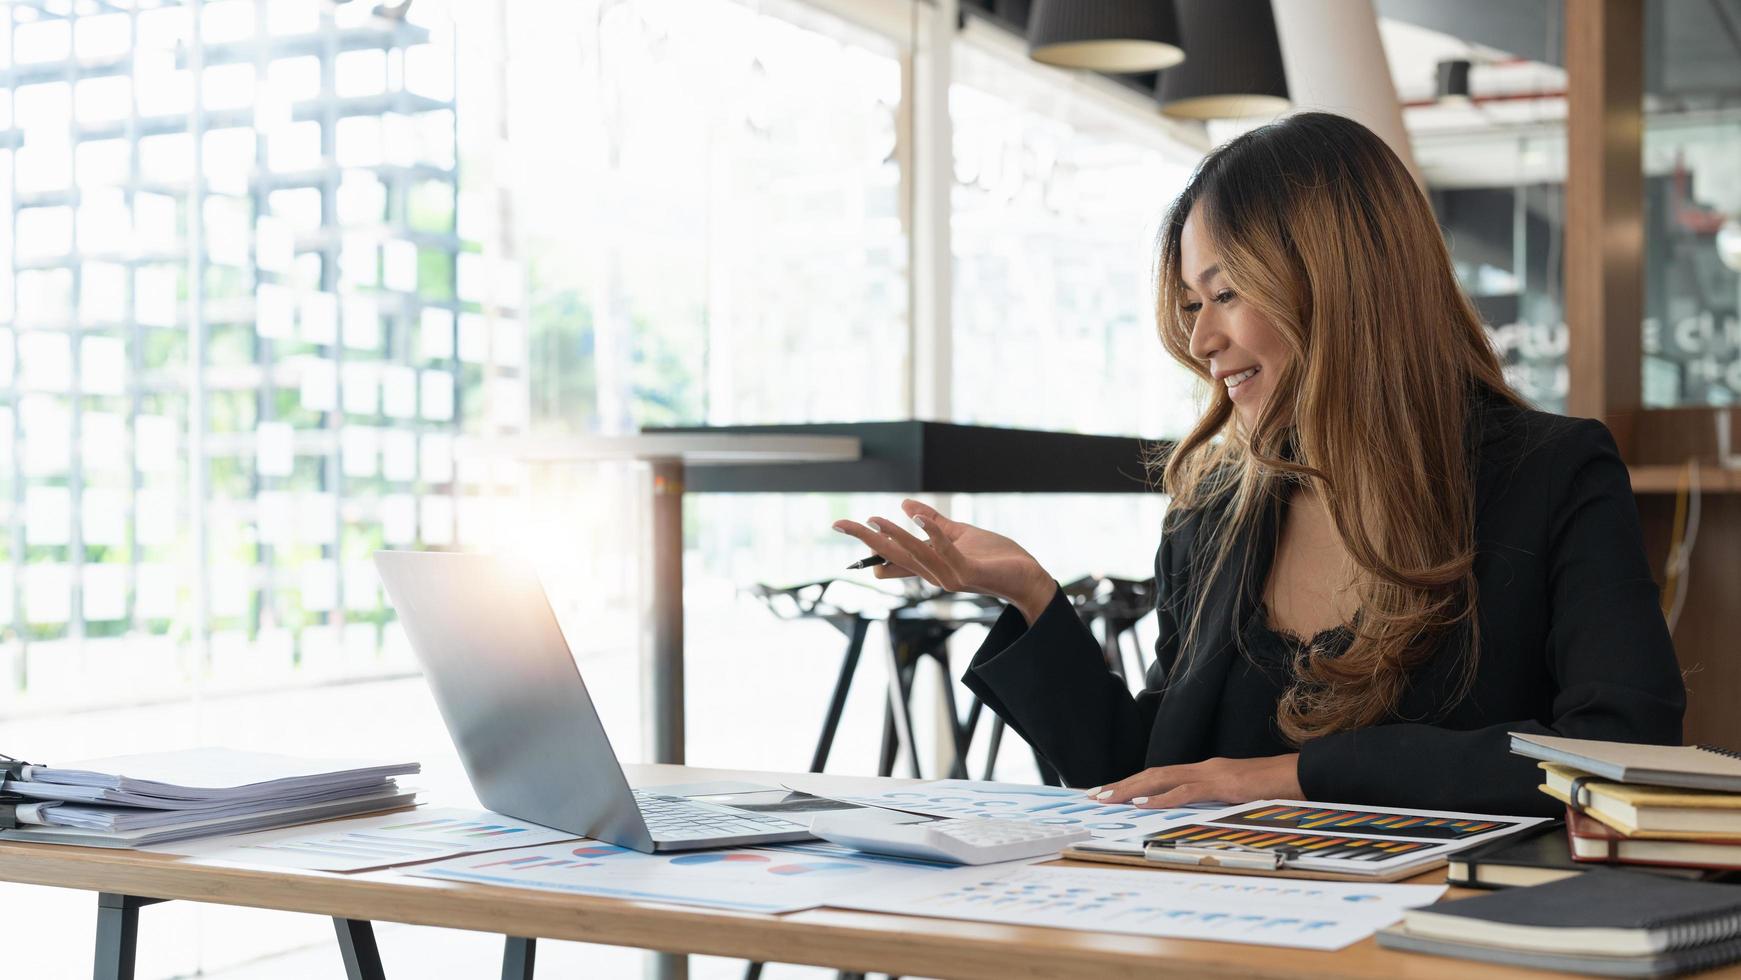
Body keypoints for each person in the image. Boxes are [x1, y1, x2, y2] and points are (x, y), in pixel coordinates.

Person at [831, 111, 1684, 817]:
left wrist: (1299, 775)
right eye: (1192, 305)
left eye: (1227, 293)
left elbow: (1619, 760)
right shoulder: (1213, 514)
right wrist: (1030, 594)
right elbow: (1144, 771)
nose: (1202, 341)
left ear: (1337, 281)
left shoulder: (1552, 475)